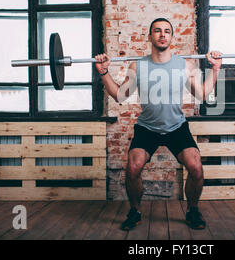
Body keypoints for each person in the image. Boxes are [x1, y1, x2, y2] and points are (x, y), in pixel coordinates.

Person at [94, 18, 222, 231]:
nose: (162, 34)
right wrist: (103, 72)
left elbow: (201, 94)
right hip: (147, 128)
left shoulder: (185, 65)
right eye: (157, 31)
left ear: (172, 37)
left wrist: (215, 69)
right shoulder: (138, 66)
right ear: (150, 36)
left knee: (196, 168)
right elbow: (119, 95)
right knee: (133, 167)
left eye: (167, 31)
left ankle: (192, 210)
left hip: (176, 127)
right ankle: (135, 211)